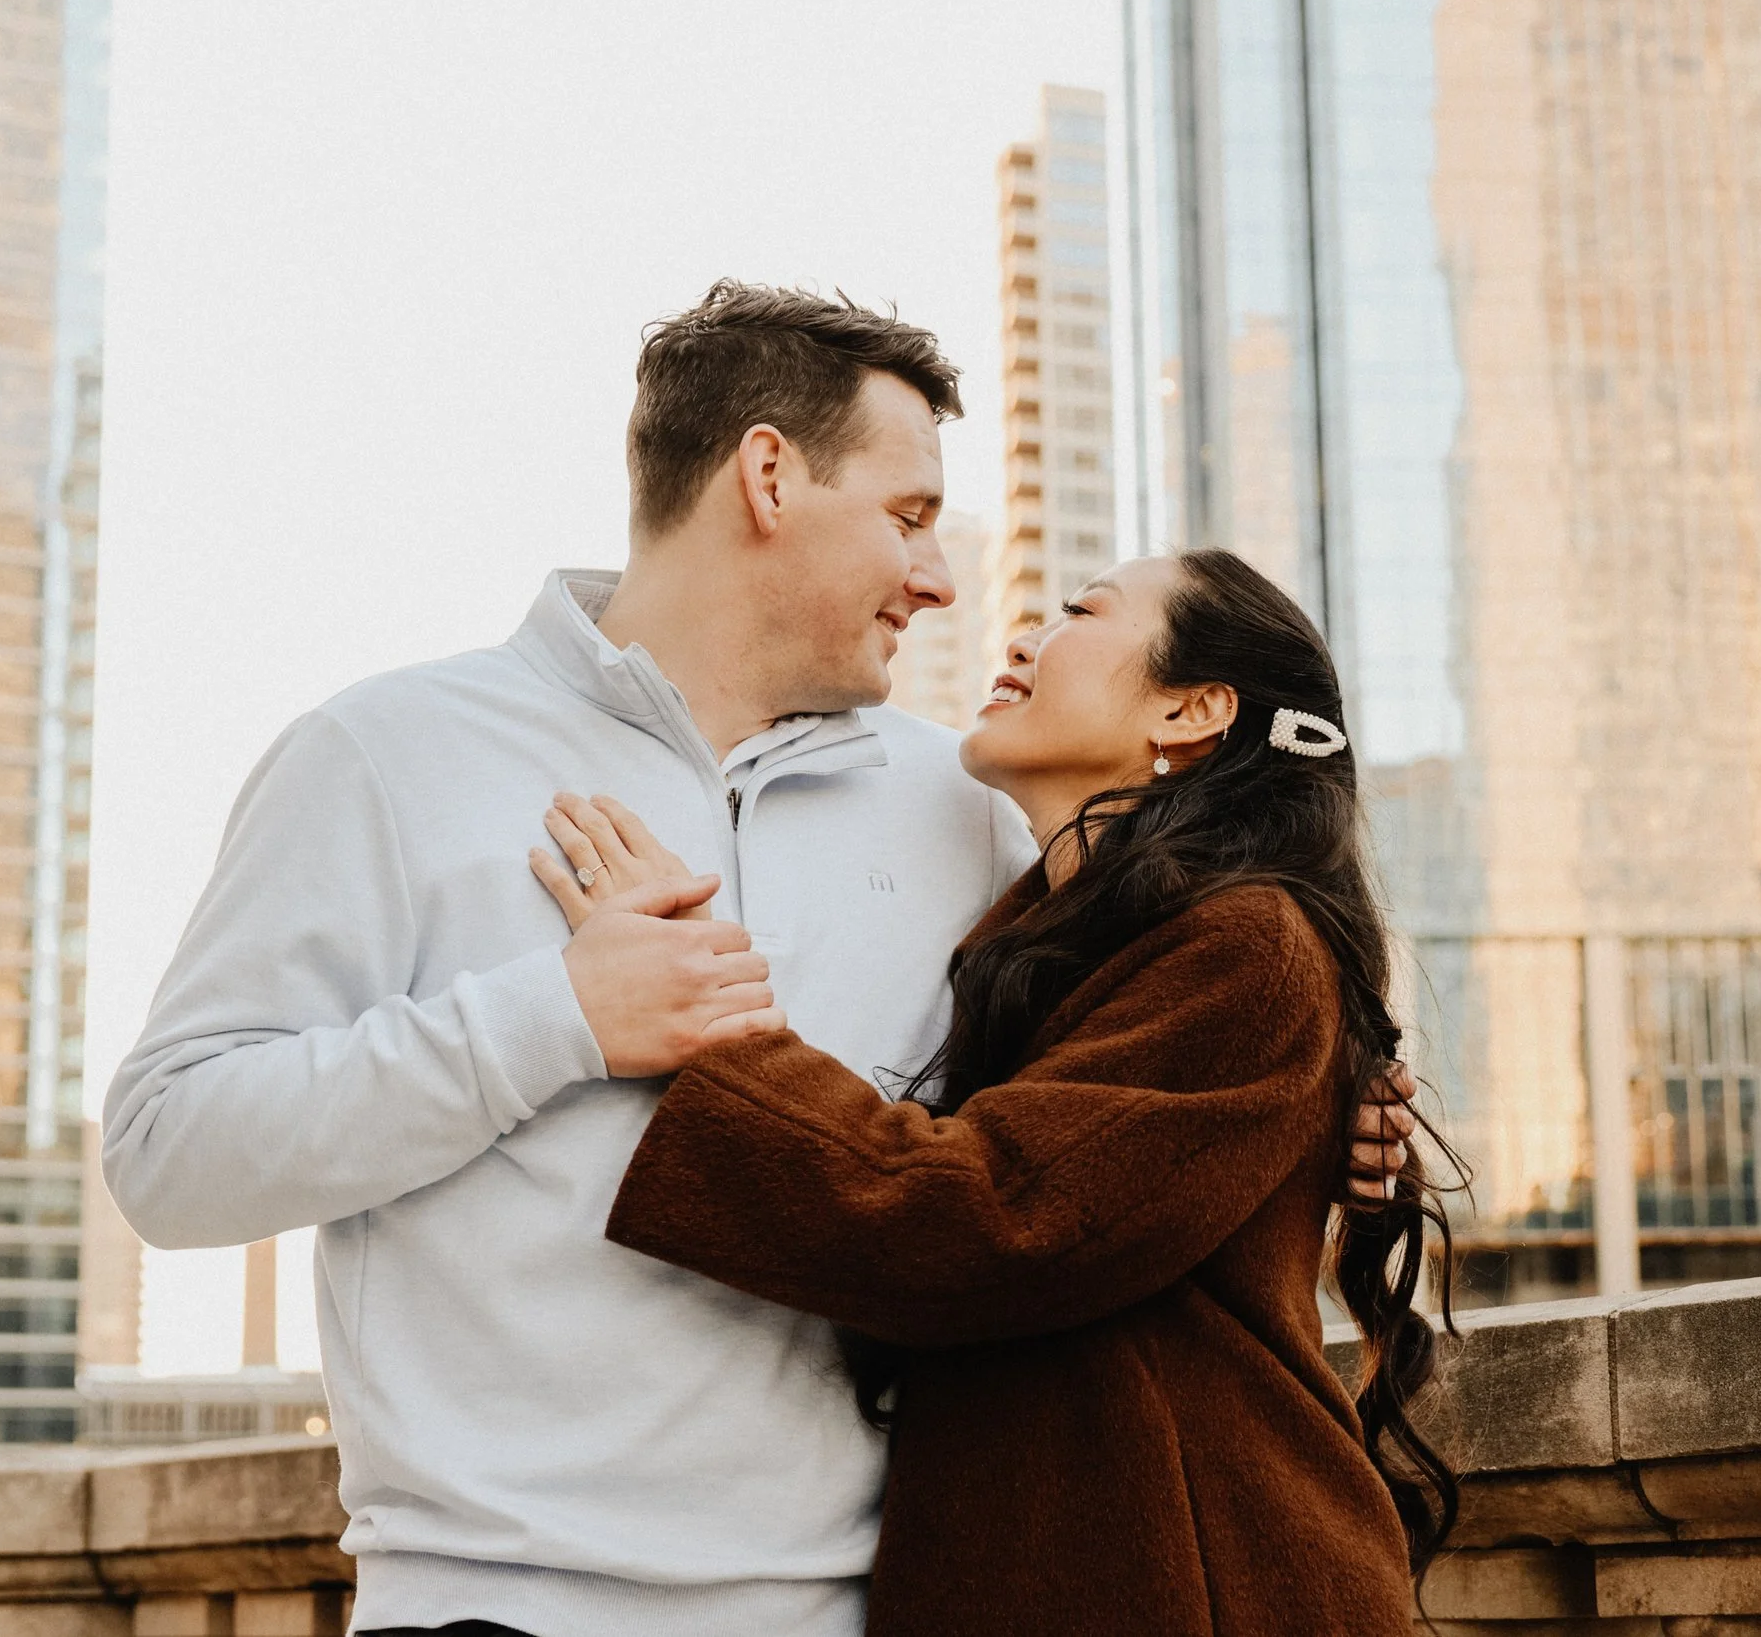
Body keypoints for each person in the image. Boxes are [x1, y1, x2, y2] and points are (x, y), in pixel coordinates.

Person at [103, 282, 1411, 1637]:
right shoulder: (386, 753)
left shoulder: (969, 807)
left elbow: (1092, 1114)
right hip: (487, 1605)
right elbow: (165, 1153)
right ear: (769, 474)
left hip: (868, 1610)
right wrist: (554, 1015)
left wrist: (1340, 1110)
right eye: (910, 516)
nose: (945, 577)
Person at [529, 548, 1459, 1637]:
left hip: (1206, 1579)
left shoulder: (1247, 943)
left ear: (1192, 708)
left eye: (1080, 612)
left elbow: (987, 1214)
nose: (1021, 635)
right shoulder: (1066, 937)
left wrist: (701, 1008)